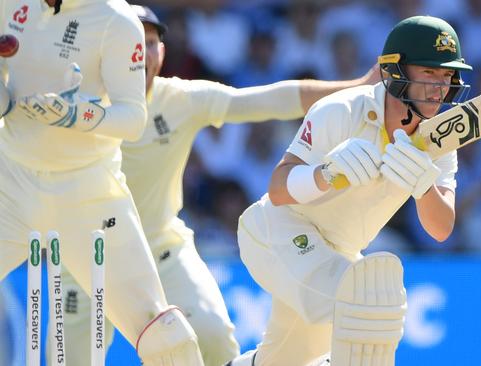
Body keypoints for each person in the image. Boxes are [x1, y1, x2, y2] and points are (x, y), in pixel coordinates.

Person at [51, 5, 381, 366]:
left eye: (149, 43)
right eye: (130, 42)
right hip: (85, 260)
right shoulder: (74, 102)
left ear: (162, 52)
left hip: (161, 251)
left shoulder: (180, 99)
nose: (140, 53)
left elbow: (269, 99)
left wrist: (358, 88)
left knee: (212, 338)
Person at [230, 16, 471, 366]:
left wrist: (424, 187)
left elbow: (440, 228)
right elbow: (278, 189)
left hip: (336, 254)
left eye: (447, 76)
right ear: (395, 70)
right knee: (368, 308)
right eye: (429, 73)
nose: (439, 87)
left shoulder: (440, 141)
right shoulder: (341, 110)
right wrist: (326, 173)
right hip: (277, 233)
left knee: (279, 361)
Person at [0, 0, 205, 365]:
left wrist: (78, 115)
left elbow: (132, 119)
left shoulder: (117, 20)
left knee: (162, 333)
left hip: (88, 193)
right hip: (10, 181)